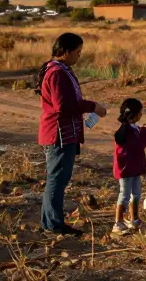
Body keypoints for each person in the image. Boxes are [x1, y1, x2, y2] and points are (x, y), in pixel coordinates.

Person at [38, 32, 107, 236]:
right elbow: (63, 106)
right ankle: (53, 225)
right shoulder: (57, 73)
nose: (79, 56)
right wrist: (92, 106)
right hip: (58, 134)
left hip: (64, 133)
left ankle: (51, 222)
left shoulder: (59, 69)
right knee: (57, 179)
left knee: (58, 179)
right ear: (66, 52)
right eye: (77, 52)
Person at [112, 98, 146, 235]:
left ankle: (134, 218)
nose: (141, 115)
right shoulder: (126, 132)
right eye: (140, 113)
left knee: (136, 194)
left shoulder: (131, 129)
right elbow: (140, 145)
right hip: (127, 170)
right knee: (125, 194)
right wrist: (145, 132)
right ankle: (118, 222)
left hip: (133, 169)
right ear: (134, 115)